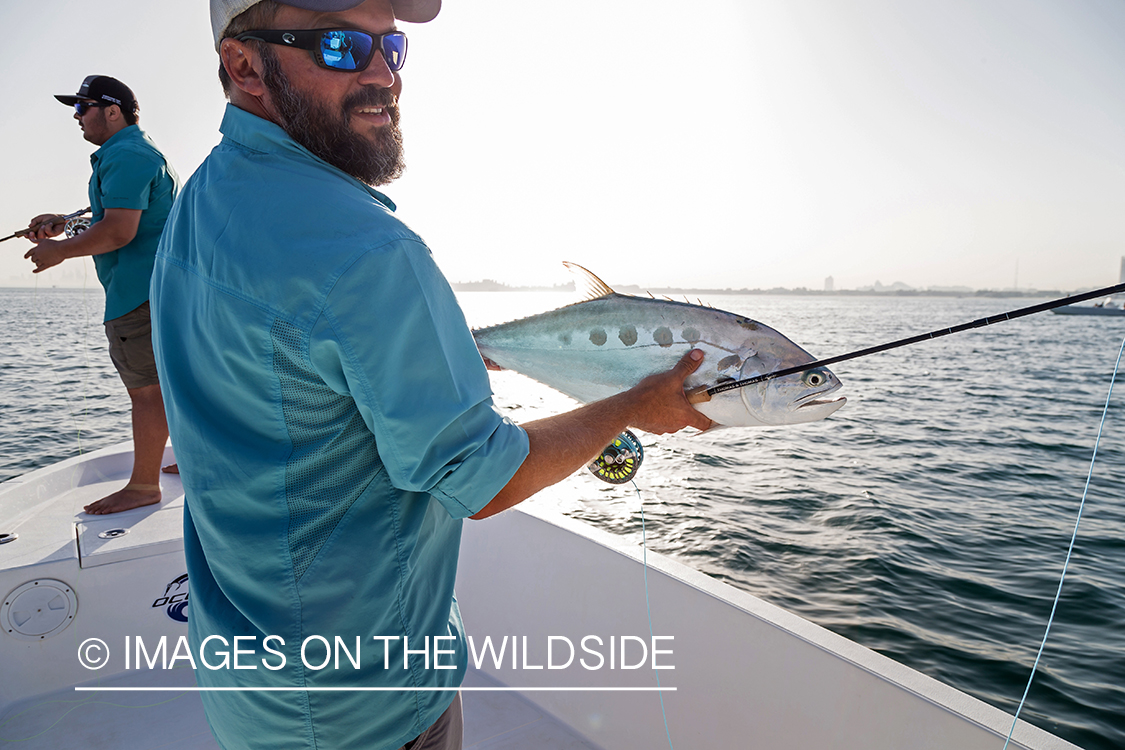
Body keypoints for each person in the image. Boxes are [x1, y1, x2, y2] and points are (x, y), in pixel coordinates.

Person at [149, 1, 712, 749]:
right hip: (366, 708)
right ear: (244, 65)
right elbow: (483, 481)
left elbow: (285, 369)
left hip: (250, 688)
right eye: (342, 45)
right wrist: (634, 404)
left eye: (392, 45)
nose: (383, 73)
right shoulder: (369, 252)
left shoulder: (203, 198)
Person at [25, 75, 180, 515]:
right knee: (171, 386)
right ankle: (188, 460)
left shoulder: (127, 154)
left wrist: (58, 251)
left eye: (82, 107)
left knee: (147, 394)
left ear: (112, 111)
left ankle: (144, 485)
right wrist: (66, 223)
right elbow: (122, 213)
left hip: (137, 296)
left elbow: (118, 230)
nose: (77, 117)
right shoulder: (136, 151)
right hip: (159, 292)